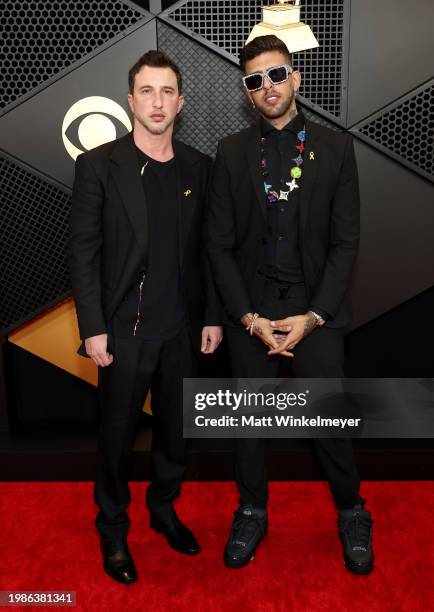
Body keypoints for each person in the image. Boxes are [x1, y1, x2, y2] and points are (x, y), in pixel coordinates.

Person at [207, 35, 373, 575]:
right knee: (248, 428)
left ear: (296, 77)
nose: (267, 88)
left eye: (276, 75)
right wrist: (249, 319)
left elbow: (346, 242)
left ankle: (351, 510)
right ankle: (252, 510)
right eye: (254, 80)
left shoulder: (336, 148)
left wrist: (314, 316)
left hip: (316, 312)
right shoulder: (231, 153)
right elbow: (219, 245)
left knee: (330, 424)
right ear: (246, 92)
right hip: (252, 311)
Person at [69, 50, 223, 584]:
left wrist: (212, 316)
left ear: (180, 102)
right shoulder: (98, 166)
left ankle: (163, 509)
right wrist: (92, 325)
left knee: (175, 437)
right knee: (116, 440)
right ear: (130, 100)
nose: (157, 102)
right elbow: (83, 253)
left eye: (167, 92)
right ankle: (112, 528)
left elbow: (208, 250)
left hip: (181, 328)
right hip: (122, 334)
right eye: (147, 91)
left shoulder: (198, 168)